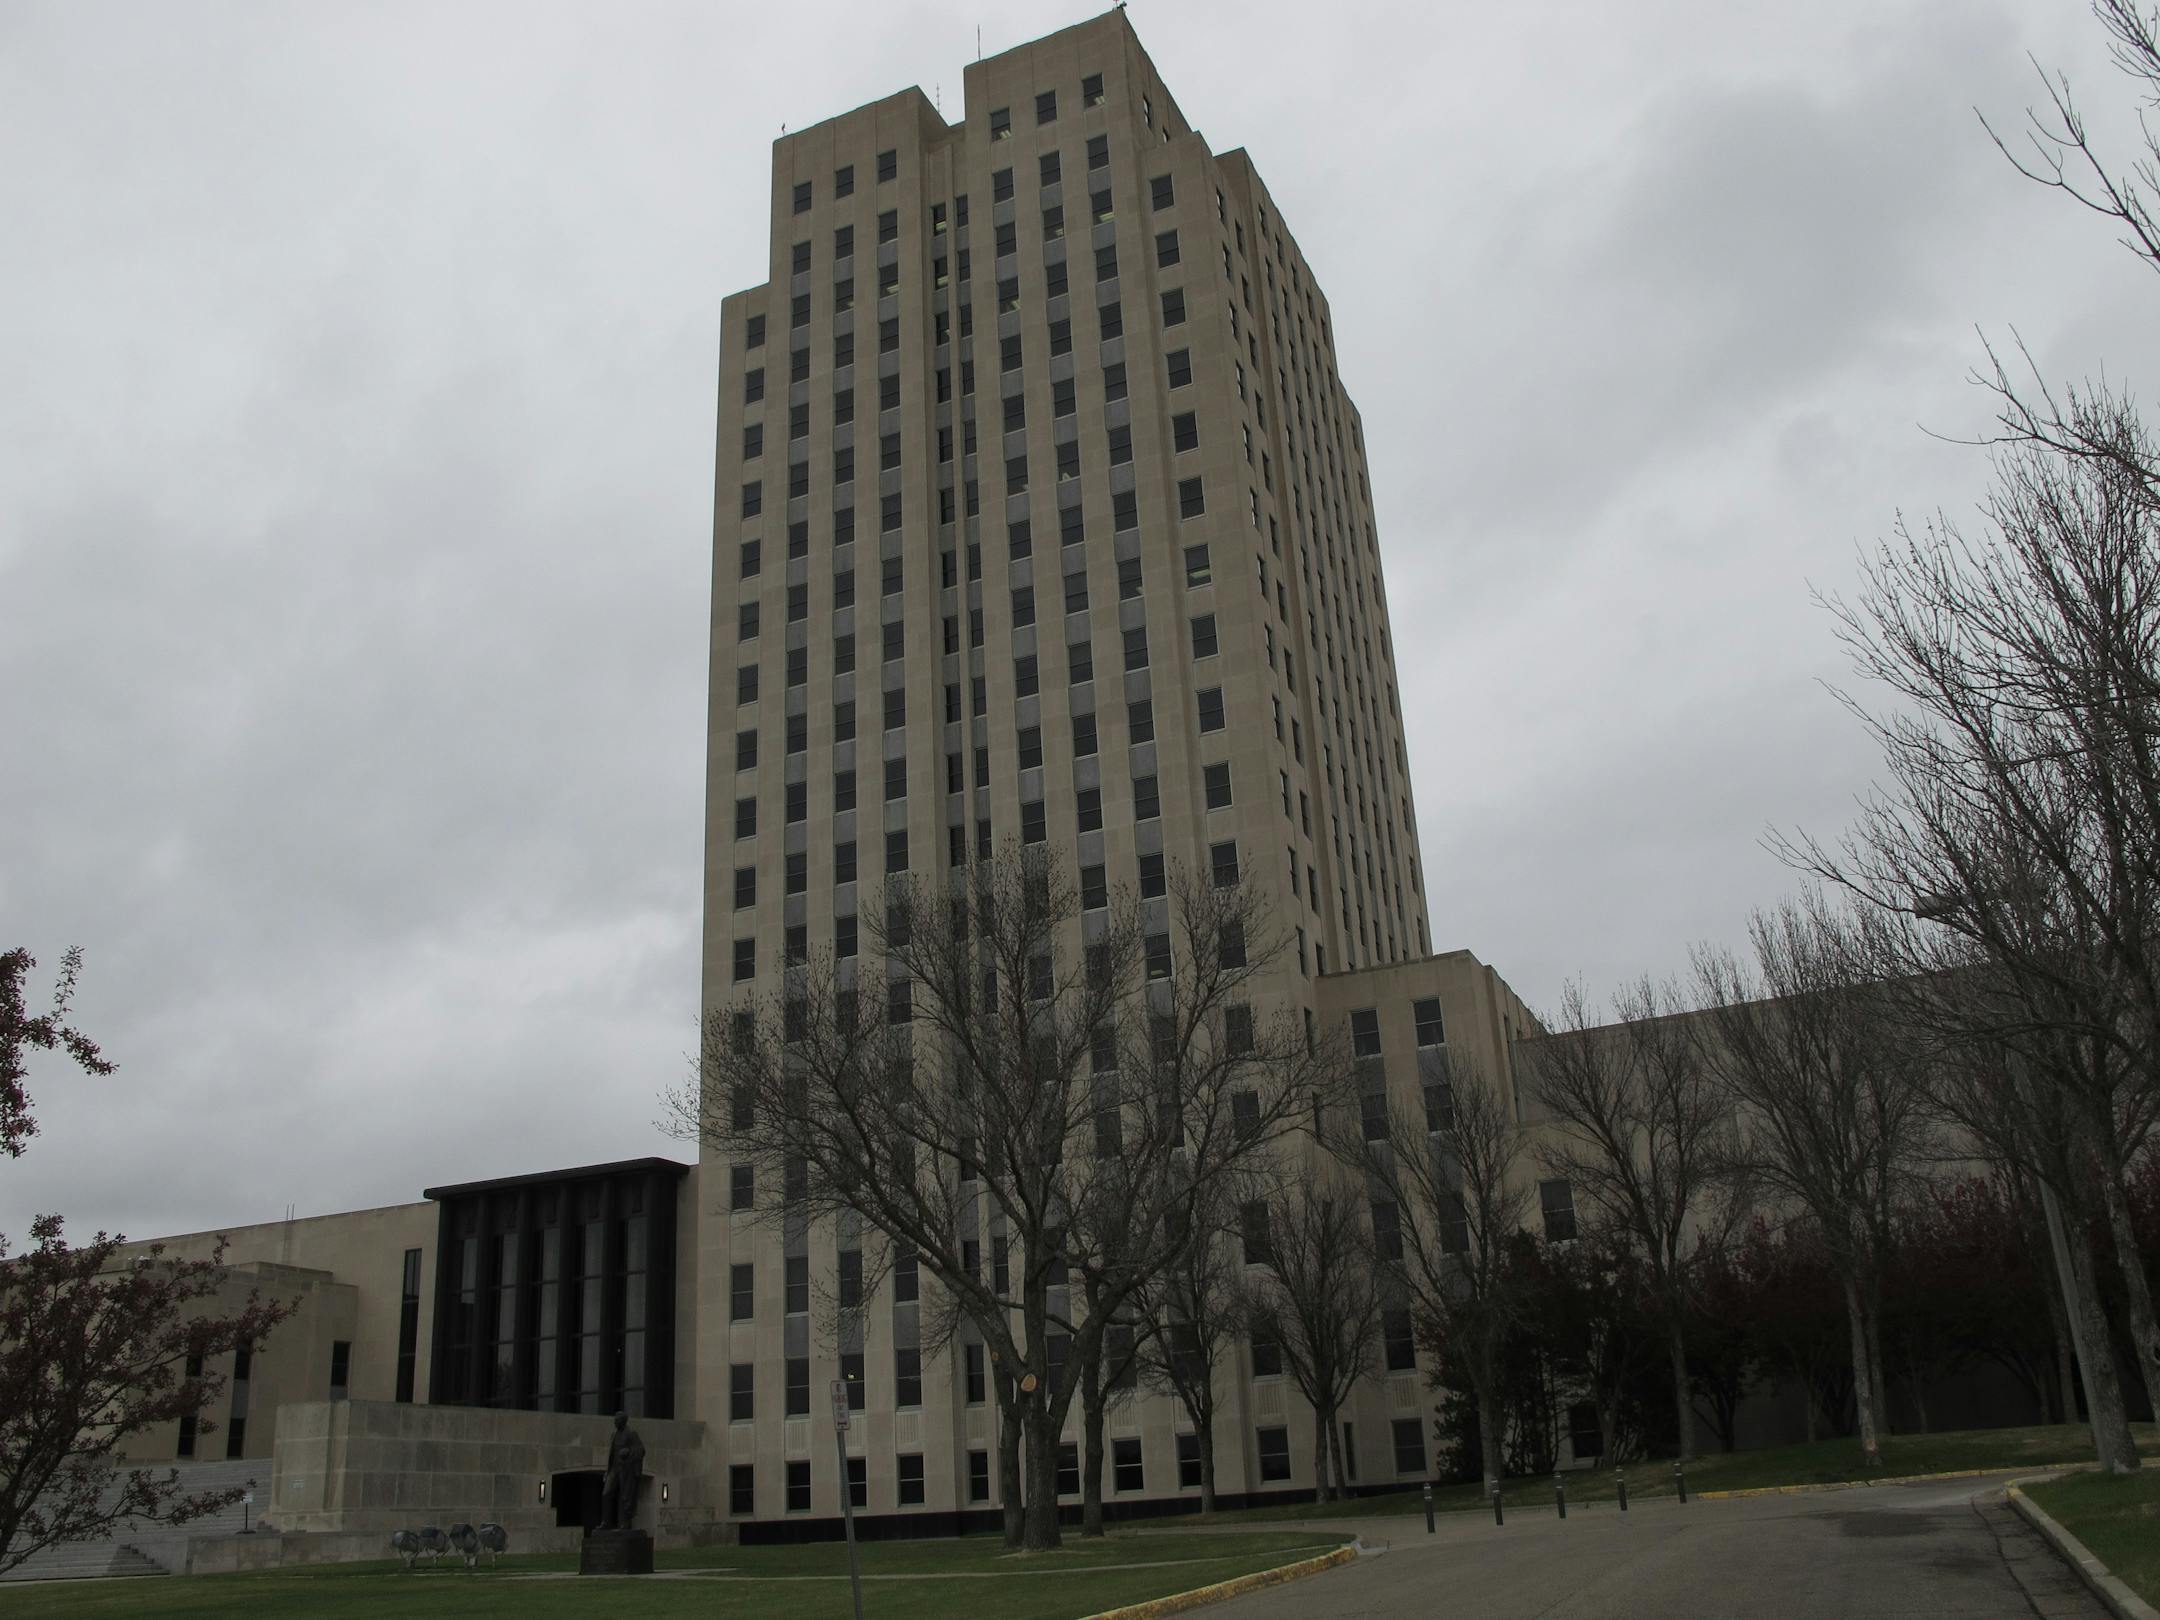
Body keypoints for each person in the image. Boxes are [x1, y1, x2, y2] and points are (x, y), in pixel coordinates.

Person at [599, 1410, 645, 1532]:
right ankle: (606, 1522)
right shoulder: (614, 1434)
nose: (614, 1422)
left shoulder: (631, 1434)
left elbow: (641, 1450)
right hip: (614, 1469)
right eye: (615, 1420)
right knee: (606, 1493)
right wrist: (607, 1471)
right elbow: (611, 1454)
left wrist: (628, 1452)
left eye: (616, 1420)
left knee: (624, 1497)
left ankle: (624, 1523)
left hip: (625, 1469)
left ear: (622, 1421)